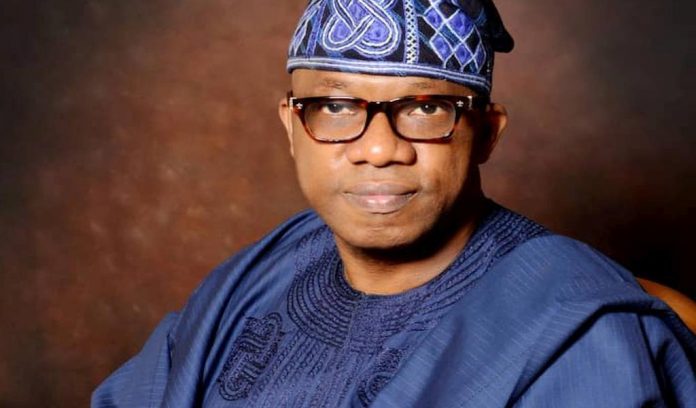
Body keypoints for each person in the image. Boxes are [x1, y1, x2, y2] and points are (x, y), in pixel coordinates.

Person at [92, 0, 696, 406]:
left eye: (426, 108)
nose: (379, 150)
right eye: (335, 107)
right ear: (291, 127)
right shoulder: (261, 273)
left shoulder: (578, 332)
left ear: (486, 134)